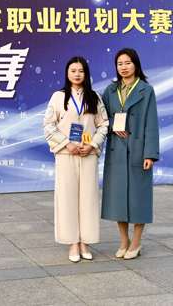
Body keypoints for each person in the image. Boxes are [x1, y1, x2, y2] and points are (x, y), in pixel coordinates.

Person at [43, 56, 109, 262]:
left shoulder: (95, 98)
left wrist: (92, 145)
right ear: (67, 73)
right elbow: (48, 125)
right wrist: (67, 144)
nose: (77, 74)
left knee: (88, 198)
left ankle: (84, 242)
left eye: (81, 71)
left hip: (88, 154)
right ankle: (72, 243)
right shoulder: (58, 97)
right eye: (73, 70)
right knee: (67, 198)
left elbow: (104, 124)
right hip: (66, 154)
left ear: (86, 74)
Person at [101, 48, 160, 260]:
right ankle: (124, 240)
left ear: (135, 64)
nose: (123, 67)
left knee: (138, 198)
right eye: (120, 64)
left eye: (127, 63)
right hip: (116, 150)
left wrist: (149, 154)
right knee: (118, 197)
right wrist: (112, 126)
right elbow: (102, 119)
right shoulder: (110, 90)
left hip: (138, 151)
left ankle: (136, 241)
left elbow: (151, 123)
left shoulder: (147, 90)